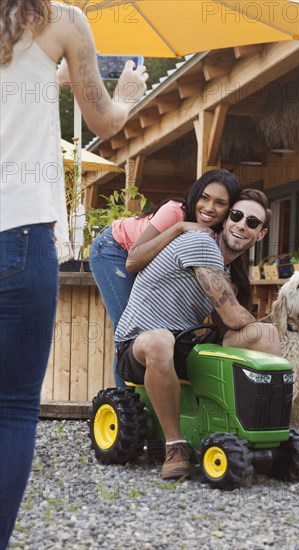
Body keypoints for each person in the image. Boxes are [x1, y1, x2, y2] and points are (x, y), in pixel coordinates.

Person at [0, 1, 148, 547]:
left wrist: (49, 80)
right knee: (12, 408)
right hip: (17, 234)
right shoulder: (62, 21)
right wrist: (128, 95)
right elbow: (106, 122)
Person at [115, 189, 280, 479]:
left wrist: (272, 326)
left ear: (260, 234)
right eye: (236, 216)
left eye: (251, 222)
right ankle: (175, 446)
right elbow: (232, 316)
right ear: (226, 219)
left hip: (183, 347)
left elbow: (232, 327)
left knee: (265, 335)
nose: (241, 225)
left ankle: (267, 433)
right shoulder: (200, 243)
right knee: (160, 339)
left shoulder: (228, 274)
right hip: (137, 345)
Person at [89, 169, 243, 386]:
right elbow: (133, 261)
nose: (209, 208)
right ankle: (125, 403)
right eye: (204, 198)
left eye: (220, 203)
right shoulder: (175, 212)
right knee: (130, 331)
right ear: (196, 195)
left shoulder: (218, 234)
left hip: (144, 262)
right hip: (115, 250)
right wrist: (179, 228)